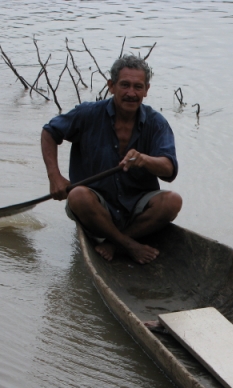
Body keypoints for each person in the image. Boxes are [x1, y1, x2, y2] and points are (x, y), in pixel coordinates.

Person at [41, 54, 182, 264]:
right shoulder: (88, 114)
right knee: (78, 195)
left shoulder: (156, 123)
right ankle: (128, 244)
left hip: (136, 207)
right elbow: (49, 133)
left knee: (172, 201)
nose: (131, 93)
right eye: (125, 85)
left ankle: (115, 241)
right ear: (111, 86)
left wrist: (145, 160)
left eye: (138, 87)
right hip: (96, 205)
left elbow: (169, 168)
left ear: (146, 90)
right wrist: (55, 177)